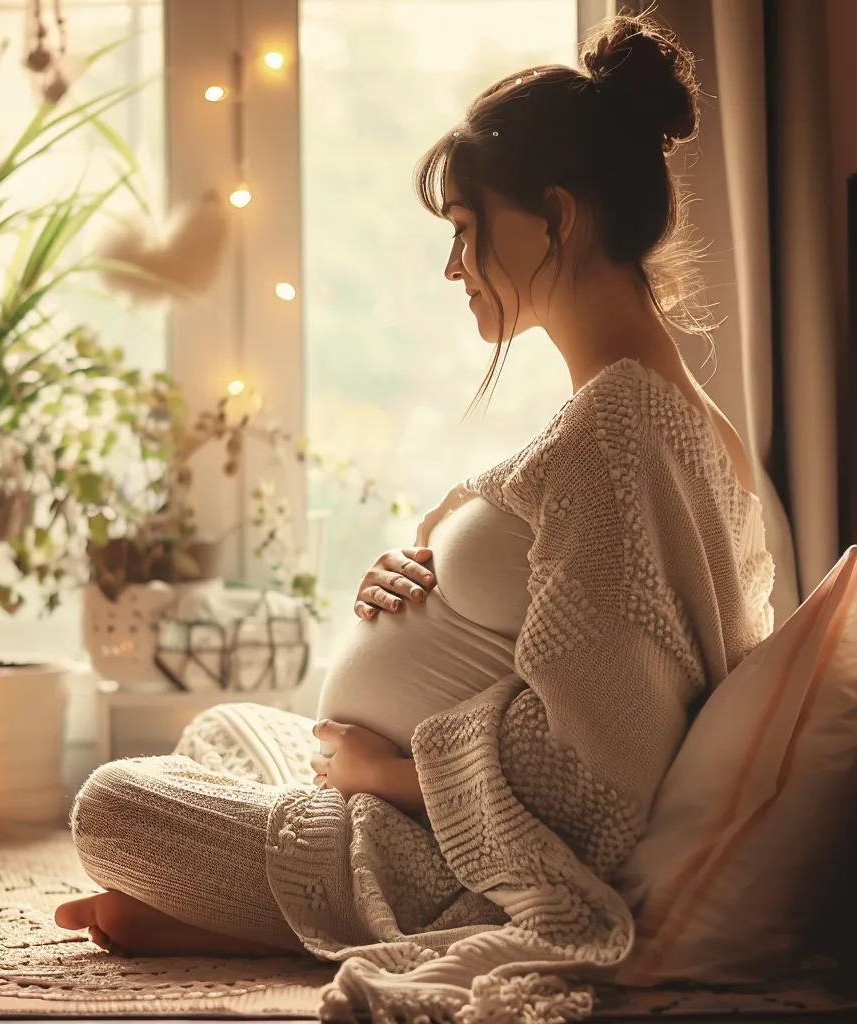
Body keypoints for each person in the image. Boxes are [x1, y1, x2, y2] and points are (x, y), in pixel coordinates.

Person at [55, 8, 775, 1020]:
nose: (453, 266)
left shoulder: (619, 434)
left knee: (110, 805)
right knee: (225, 726)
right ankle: (251, 896)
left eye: (467, 230)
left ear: (554, 220)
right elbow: (548, 627)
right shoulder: (639, 417)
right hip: (396, 813)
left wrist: (385, 771)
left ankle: (250, 916)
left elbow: (593, 781)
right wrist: (427, 572)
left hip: (439, 854)